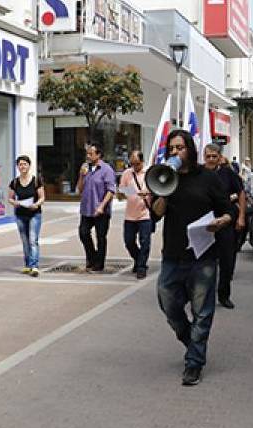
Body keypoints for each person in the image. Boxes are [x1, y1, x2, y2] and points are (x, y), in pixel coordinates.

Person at [152, 129, 235, 386]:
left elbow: (227, 209)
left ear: (190, 149)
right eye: (172, 148)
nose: (176, 152)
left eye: (180, 148)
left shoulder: (208, 178)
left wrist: (223, 221)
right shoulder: (165, 177)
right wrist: (164, 188)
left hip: (203, 255)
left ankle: (194, 363)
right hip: (173, 255)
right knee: (168, 304)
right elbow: (156, 214)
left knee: (202, 311)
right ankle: (191, 341)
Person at [203, 143, 245, 310]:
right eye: (208, 156)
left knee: (227, 262)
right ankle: (203, 294)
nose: (211, 159)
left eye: (214, 156)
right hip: (205, 224)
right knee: (204, 262)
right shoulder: (199, 173)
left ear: (220, 157)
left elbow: (241, 192)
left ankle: (224, 295)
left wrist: (241, 216)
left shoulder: (227, 173)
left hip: (226, 222)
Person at [77, 142, 116, 272]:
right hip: (86, 208)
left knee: (100, 237)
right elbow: (80, 189)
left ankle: (99, 264)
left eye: (91, 153)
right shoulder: (85, 168)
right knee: (83, 233)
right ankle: (92, 257)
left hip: (101, 210)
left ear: (98, 155)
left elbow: (111, 190)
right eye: (87, 153)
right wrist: (82, 175)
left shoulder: (106, 170)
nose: (88, 156)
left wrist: (102, 206)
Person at [8, 155, 45, 277]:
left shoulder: (36, 180)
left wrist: (36, 204)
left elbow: (42, 197)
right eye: (20, 164)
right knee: (25, 241)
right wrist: (15, 202)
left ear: (29, 165)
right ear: (17, 166)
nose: (22, 166)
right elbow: (10, 198)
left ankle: (34, 266)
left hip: (34, 213)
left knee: (33, 240)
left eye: (25, 164)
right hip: (20, 214)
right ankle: (28, 265)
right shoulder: (14, 182)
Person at [119, 150, 152, 279]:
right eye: (132, 164)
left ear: (142, 162)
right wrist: (131, 192)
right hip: (130, 215)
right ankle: (138, 260)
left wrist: (148, 193)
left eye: (137, 164)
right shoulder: (127, 174)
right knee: (129, 241)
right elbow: (121, 192)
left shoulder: (149, 173)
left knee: (145, 242)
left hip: (145, 214)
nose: (135, 166)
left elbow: (157, 190)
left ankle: (141, 267)